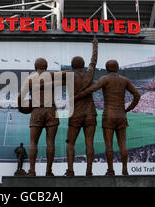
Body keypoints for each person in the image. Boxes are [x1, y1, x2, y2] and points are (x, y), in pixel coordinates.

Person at [74, 60, 141, 175]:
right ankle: (125, 170)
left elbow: (91, 89)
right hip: (121, 114)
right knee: (123, 144)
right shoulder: (124, 80)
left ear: (106, 68)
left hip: (109, 115)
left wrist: (78, 96)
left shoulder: (104, 79)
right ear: (118, 67)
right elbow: (137, 95)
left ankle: (111, 170)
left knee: (108, 144)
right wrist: (128, 109)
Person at [18, 58, 67, 176]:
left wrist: (21, 108)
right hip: (51, 110)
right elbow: (69, 76)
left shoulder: (30, 78)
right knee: (50, 142)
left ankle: (32, 170)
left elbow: (20, 96)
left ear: (35, 67)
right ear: (46, 66)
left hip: (37, 110)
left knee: (33, 142)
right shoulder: (51, 75)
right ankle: (49, 171)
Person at [65, 35, 98, 176]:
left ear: (72, 65)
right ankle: (89, 170)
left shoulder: (68, 75)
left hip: (76, 113)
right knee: (89, 142)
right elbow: (93, 60)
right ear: (83, 65)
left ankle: (71, 170)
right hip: (90, 112)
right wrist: (95, 45)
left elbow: (51, 76)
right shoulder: (89, 73)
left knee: (70, 143)